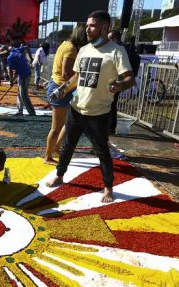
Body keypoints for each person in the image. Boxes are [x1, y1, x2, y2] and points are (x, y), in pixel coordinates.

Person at [46, 10, 134, 203]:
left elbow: (129, 78)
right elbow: (77, 77)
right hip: (77, 108)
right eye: (87, 25)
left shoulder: (116, 51)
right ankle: (60, 175)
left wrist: (121, 84)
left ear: (104, 27)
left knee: (102, 150)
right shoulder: (84, 49)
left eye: (92, 25)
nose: (87, 29)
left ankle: (108, 187)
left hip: (100, 112)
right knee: (68, 145)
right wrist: (61, 89)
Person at [44, 26, 87, 165]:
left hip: (61, 87)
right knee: (56, 127)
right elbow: (66, 74)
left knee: (68, 123)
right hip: (61, 89)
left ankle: (56, 148)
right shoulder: (71, 49)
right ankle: (48, 157)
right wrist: (80, 80)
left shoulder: (65, 44)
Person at [7, 43, 36, 116]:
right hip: (23, 73)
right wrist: (30, 58)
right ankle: (20, 110)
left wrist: (11, 80)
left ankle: (31, 112)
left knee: (23, 95)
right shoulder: (16, 50)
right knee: (19, 93)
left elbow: (10, 71)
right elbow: (26, 47)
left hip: (24, 75)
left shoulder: (10, 58)